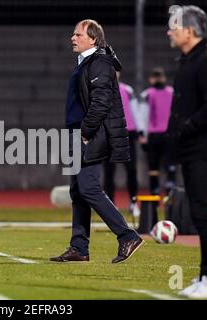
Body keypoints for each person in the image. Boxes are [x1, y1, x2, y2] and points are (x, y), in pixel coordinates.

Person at [50, 19, 144, 264]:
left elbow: (100, 103)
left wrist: (85, 131)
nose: (73, 38)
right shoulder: (86, 62)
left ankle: (127, 235)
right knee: (77, 192)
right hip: (74, 133)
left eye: (78, 34)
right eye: (73, 34)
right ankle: (79, 247)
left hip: (87, 135)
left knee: (88, 188)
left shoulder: (99, 62)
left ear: (92, 39)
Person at [166, 6, 207, 298]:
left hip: (206, 148)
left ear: (190, 31)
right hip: (193, 149)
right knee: (198, 212)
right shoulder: (190, 60)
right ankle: (205, 275)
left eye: (175, 26)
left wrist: (185, 129)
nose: (170, 31)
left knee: (203, 213)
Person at [103, 71, 144, 217]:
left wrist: (140, 131)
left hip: (127, 132)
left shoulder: (127, 90)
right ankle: (111, 205)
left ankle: (133, 203)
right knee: (109, 171)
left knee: (131, 170)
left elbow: (136, 111)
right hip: (109, 132)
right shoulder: (101, 90)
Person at [139, 67, 176, 195]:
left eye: (160, 76)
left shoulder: (172, 92)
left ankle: (170, 194)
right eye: (156, 77)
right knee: (154, 166)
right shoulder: (147, 94)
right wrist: (142, 135)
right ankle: (155, 194)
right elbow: (143, 116)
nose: (158, 79)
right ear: (151, 79)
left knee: (170, 166)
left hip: (168, 134)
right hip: (154, 135)